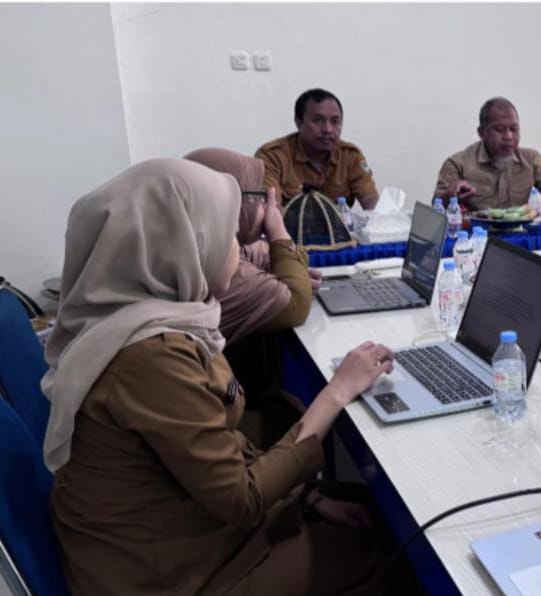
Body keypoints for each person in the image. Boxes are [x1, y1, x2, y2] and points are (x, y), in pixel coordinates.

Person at [42, 159, 403, 594]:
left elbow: (215, 452)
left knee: (367, 511)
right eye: (227, 234)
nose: (239, 248)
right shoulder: (150, 358)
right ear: (182, 244)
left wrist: (306, 498)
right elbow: (242, 497)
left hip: (179, 529)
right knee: (386, 550)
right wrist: (338, 390)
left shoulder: (151, 321)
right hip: (168, 576)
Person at [184, 147, 319, 345]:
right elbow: (296, 304)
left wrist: (286, 267)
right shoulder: (216, 266)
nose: (267, 206)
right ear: (232, 201)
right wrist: (278, 232)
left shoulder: (195, 241)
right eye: (260, 196)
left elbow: (254, 251)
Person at [433, 96, 541, 211]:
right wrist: (449, 195)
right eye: (499, 129)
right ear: (481, 133)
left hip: (521, 233)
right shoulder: (458, 164)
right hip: (477, 234)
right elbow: (436, 208)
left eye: (514, 129)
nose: (508, 136)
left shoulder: (531, 159)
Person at [256, 88, 379, 209]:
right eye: (317, 121)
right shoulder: (273, 156)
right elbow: (271, 208)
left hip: (339, 223)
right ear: (298, 123)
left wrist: (378, 214)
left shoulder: (351, 156)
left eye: (335, 121)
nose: (328, 129)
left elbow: (372, 203)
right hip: (287, 223)